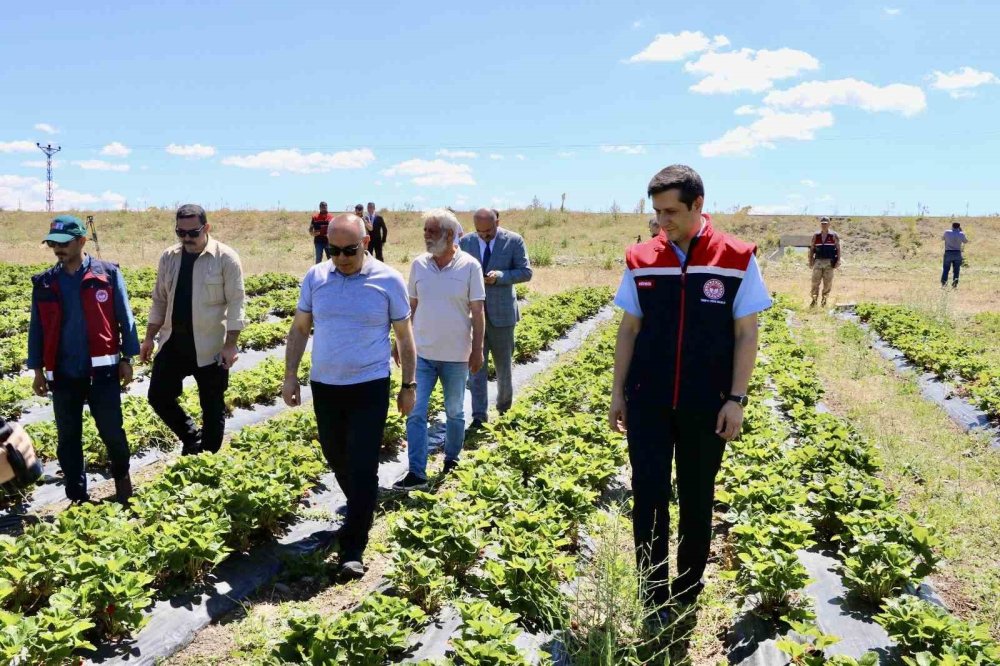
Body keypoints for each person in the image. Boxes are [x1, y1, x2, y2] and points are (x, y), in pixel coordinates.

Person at [609, 165, 771, 621]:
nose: (663, 221)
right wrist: (618, 392)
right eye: (657, 211)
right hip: (649, 401)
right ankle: (651, 587)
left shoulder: (736, 258)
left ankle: (687, 589)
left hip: (707, 402)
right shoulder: (641, 258)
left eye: (672, 211)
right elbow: (629, 329)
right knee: (649, 492)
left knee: (698, 495)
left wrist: (736, 399)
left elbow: (746, 334)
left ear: (699, 205)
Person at [282, 213, 417, 580]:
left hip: (370, 385)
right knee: (335, 454)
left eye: (349, 250)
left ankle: (353, 546)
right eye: (333, 250)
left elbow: (405, 338)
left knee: (362, 462)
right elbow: (299, 329)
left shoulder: (388, 279)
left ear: (366, 244)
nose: (340, 258)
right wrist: (290, 376)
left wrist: (409, 386)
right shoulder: (316, 277)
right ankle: (363, 503)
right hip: (325, 385)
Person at [27, 215, 140, 504]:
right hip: (63, 374)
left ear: (81, 241)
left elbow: (124, 318)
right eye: (53, 243)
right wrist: (37, 369)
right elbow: (37, 329)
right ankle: (77, 496)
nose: (58, 249)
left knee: (112, 432)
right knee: (68, 439)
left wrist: (127, 357)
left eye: (64, 243)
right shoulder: (45, 283)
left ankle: (122, 481)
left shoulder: (107, 274)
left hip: (102, 372)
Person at [140, 204, 247, 456]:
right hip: (173, 342)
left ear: (206, 228)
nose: (187, 238)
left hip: (210, 346)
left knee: (212, 406)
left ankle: (206, 458)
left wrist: (230, 344)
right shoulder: (169, 257)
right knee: (158, 396)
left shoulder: (226, 258)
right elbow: (159, 299)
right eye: (181, 232)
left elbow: (237, 302)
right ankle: (190, 436)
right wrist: (148, 337)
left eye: (193, 232)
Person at [393, 209, 485, 491]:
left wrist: (477, 349)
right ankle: (417, 473)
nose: (426, 237)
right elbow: (410, 308)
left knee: (455, 411)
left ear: (449, 234)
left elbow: (478, 311)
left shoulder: (470, 266)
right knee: (416, 412)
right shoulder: (419, 265)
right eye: (425, 231)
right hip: (422, 355)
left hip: (457, 355)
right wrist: (398, 344)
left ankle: (452, 459)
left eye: (432, 232)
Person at [459, 208, 533, 428]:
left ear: (497, 222)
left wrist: (501, 276)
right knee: (476, 368)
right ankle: (479, 416)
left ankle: (504, 410)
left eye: (489, 230)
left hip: (503, 316)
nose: (484, 235)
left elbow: (525, 272)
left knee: (504, 368)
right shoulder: (466, 243)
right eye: (480, 231)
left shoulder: (514, 241)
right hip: (475, 316)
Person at [808, 216, 840, 308]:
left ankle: (824, 300)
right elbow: (812, 249)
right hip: (818, 261)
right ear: (820, 224)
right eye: (822, 223)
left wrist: (838, 261)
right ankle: (814, 300)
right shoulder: (816, 235)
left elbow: (838, 248)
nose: (824, 225)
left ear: (829, 224)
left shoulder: (833, 235)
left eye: (826, 223)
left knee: (828, 283)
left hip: (829, 262)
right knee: (815, 282)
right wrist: (810, 261)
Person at [941, 221, 969, 288]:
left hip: (948, 252)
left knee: (946, 269)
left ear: (952, 226)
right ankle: (954, 284)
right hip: (957, 253)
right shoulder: (961, 234)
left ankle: (944, 284)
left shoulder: (947, 232)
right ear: (959, 227)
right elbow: (966, 241)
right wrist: (961, 231)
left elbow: (942, 238)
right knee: (956, 270)